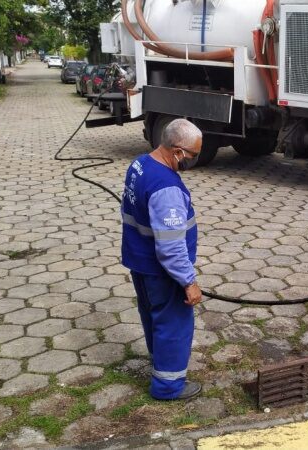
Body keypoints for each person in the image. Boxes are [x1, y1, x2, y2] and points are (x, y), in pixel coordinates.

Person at [120, 118, 204, 400]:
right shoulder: (166, 187)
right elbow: (170, 248)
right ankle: (168, 387)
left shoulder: (140, 163)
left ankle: (160, 365)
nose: (193, 161)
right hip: (162, 273)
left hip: (139, 263)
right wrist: (189, 281)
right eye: (192, 155)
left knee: (153, 316)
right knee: (173, 326)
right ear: (177, 150)